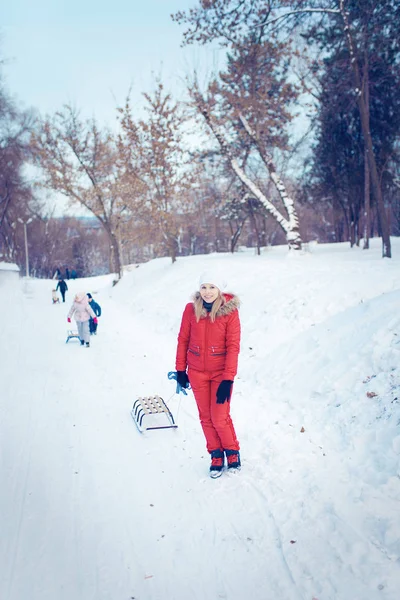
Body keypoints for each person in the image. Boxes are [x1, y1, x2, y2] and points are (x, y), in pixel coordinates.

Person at [175, 271, 241, 478]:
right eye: (204, 287)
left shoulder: (229, 312)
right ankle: (215, 454)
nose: (208, 292)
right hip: (196, 373)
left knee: (219, 417)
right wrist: (180, 370)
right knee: (205, 417)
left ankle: (232, 451)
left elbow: (233, 346)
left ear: (220, 288)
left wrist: (228, 378)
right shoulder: (190, 309)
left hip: (221, 373)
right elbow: (183, 339)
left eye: (212, 287)